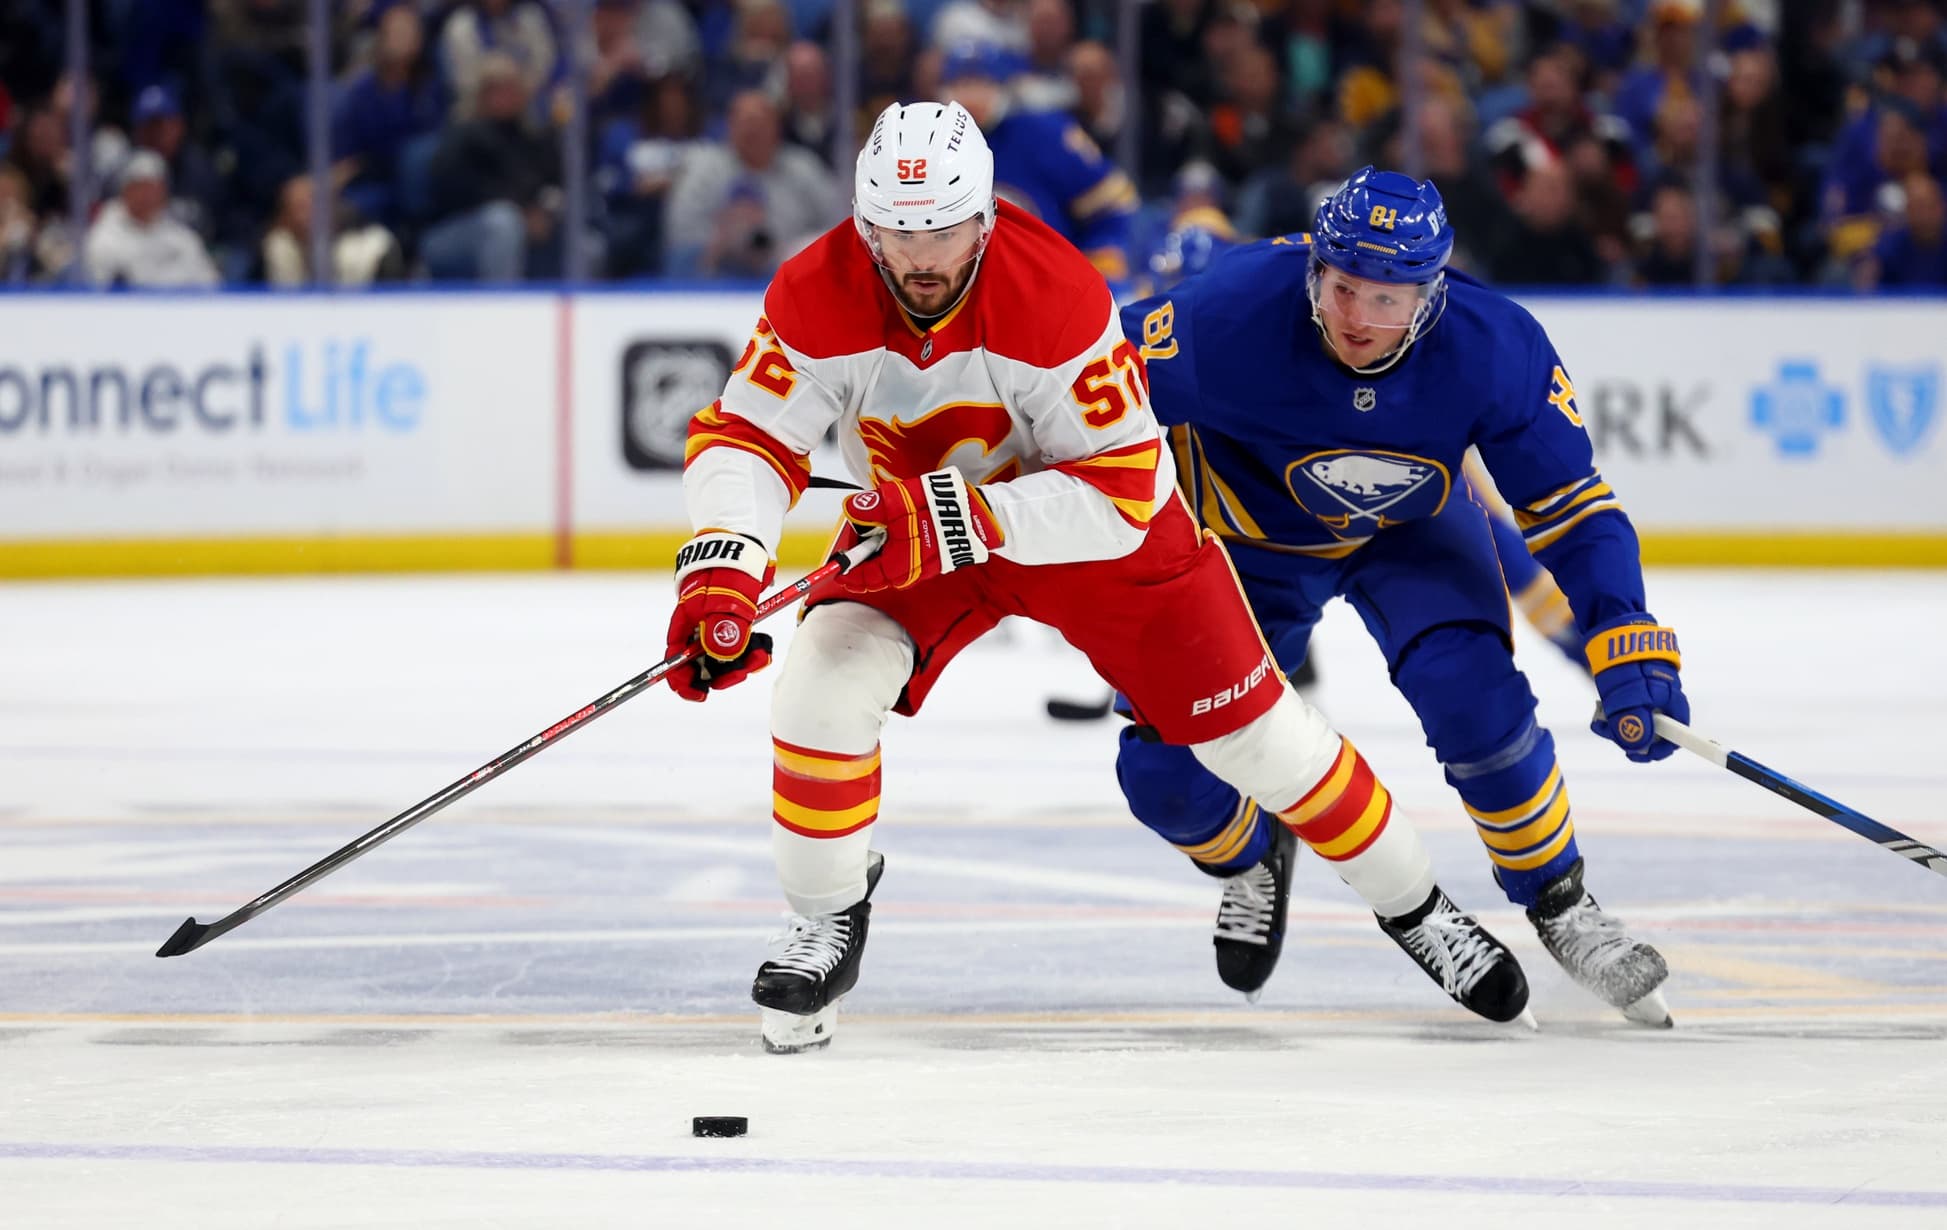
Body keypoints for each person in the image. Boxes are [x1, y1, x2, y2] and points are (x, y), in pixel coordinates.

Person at [667, 104, 1533, 1053]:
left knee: (1260, 743)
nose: (920, 260)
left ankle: (1417, 909)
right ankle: (826, 914)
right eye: (897, 234)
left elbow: (1119, 490)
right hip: (920, 537)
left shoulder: (1054, 296)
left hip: (1090, 538)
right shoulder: (815, 288)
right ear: (865, 223)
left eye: (944, 231)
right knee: (821, 684)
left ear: (986, 218)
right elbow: (749, 437)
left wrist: (954, 517)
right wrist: (720, 570)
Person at [1117, 167, 1689, 1027]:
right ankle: (1250, 856)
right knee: (1159, 774)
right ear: (1314, 266)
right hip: (1243, 550)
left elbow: (1572, 510)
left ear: (1432, 292)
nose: (1356, 318)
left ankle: (1561, 903)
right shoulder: (1223, 315)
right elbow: (1068, 411)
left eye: (1387, 299)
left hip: (1408, 537)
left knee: (1480, 708)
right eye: (1343, 287)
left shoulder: (1497, 346)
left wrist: (1622, 630)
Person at [940, 42, 1138, 278]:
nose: (971, 96)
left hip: (1053, 285)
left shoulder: (1044, 134)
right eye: (961, 84)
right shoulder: (928, 148)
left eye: (983, 84)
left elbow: (1115, 201)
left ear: (1005, 87)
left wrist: (1101, 253)